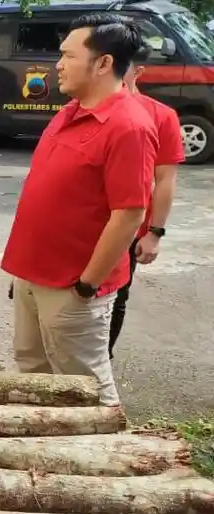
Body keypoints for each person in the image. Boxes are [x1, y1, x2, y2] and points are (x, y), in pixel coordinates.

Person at [1, 14, 157, 406]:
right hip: (31, 275)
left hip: (73, 286)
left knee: (84, 383)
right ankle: (52, 456)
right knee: (33, 371)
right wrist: (24, 271)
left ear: (103, 63)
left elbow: (130, 214)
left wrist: (87, 284)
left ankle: (105, 459)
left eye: (69, 55)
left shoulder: (129, 126)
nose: (58, 64)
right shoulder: (69, 112)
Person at [109, 41, 185, 358]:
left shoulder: (161, 117)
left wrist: (155, 233)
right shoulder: (84, 107)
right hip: (77, 225)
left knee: (115, 296)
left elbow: (165, 178)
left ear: (138, 71)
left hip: (125, 228)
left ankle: (100, 364)